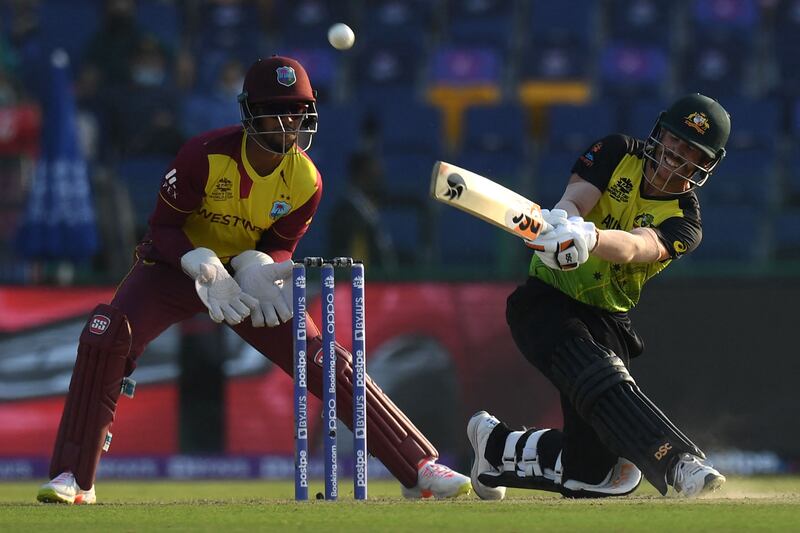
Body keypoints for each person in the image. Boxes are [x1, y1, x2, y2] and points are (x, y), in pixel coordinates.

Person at [36, 55, 470, 504]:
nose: (290, 123)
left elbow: (281, 244)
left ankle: (418, 466)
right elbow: (163, 229)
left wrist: (260, 265)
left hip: (243, 281)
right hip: (174, 269)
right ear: (251, 113)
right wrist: (199, 263)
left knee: (320, 358)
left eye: (299, 112)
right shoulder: (203, 156)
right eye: (279, 111)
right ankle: (74, 477)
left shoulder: (306, 181)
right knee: (108, 338)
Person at [467, 93, 731, 499]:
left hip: (607, 319)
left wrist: (589, 237)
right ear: (660, 132)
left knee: (592, 471)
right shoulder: (617, 150)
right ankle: (678, 463)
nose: (676, 154)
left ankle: (497, 448)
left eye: (691, 150)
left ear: (706, 164)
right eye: (675, 140)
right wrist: (564, 223)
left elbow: (636, 246)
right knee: (600, 376)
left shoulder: (685, 221)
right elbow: (575, 199)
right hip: (546, 300)